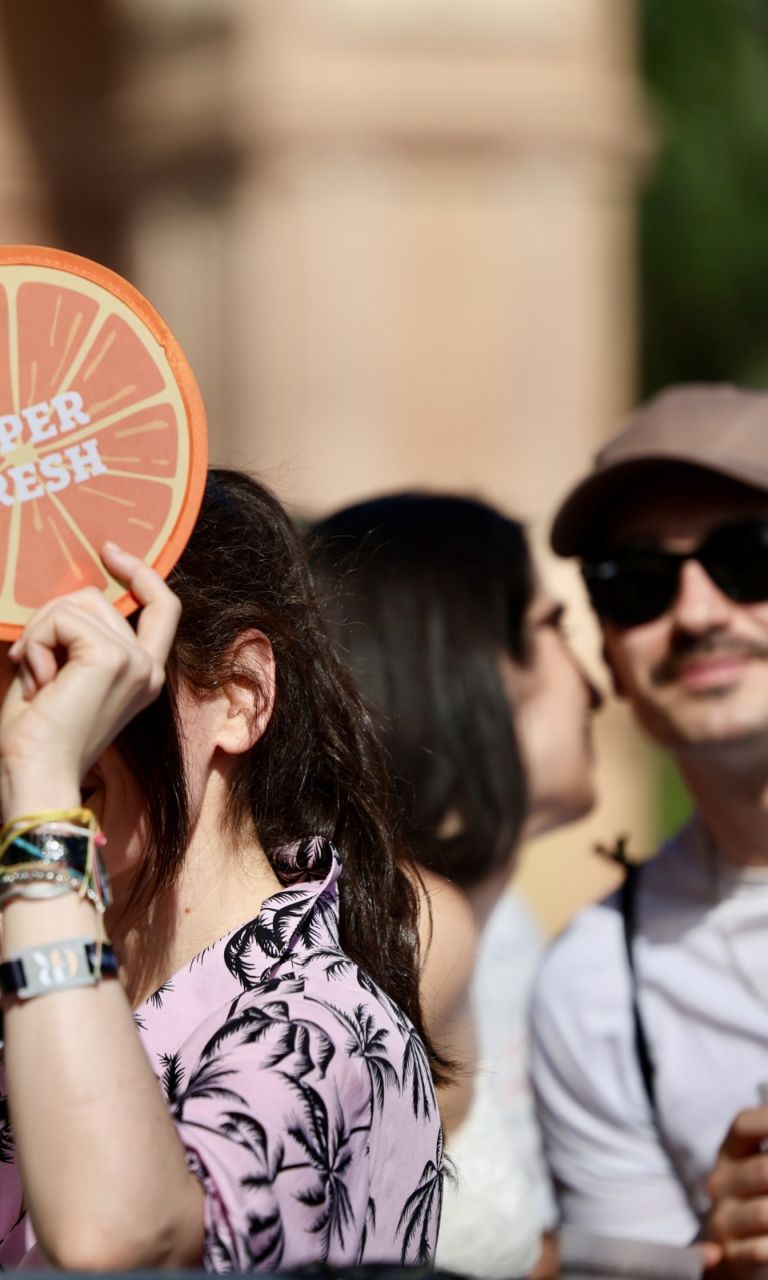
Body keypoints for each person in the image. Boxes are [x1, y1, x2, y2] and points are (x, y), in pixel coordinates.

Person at [0, 469, 445, 1271]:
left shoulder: (313, 1030)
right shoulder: (103, 1005)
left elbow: (116, 1236)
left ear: (240, 693)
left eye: (62, 672)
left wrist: (45, 795)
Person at [310, 494, 601, 1278]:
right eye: (554, 630)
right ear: (465, 669)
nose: (595, 682)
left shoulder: (460, 920)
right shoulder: (407, 928)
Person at [531, 384, 768, 1270]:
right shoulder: (596, 990)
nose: (699, 614)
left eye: (752, 557)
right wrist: (725, 1257)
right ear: (611, 655)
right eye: (639, 584)